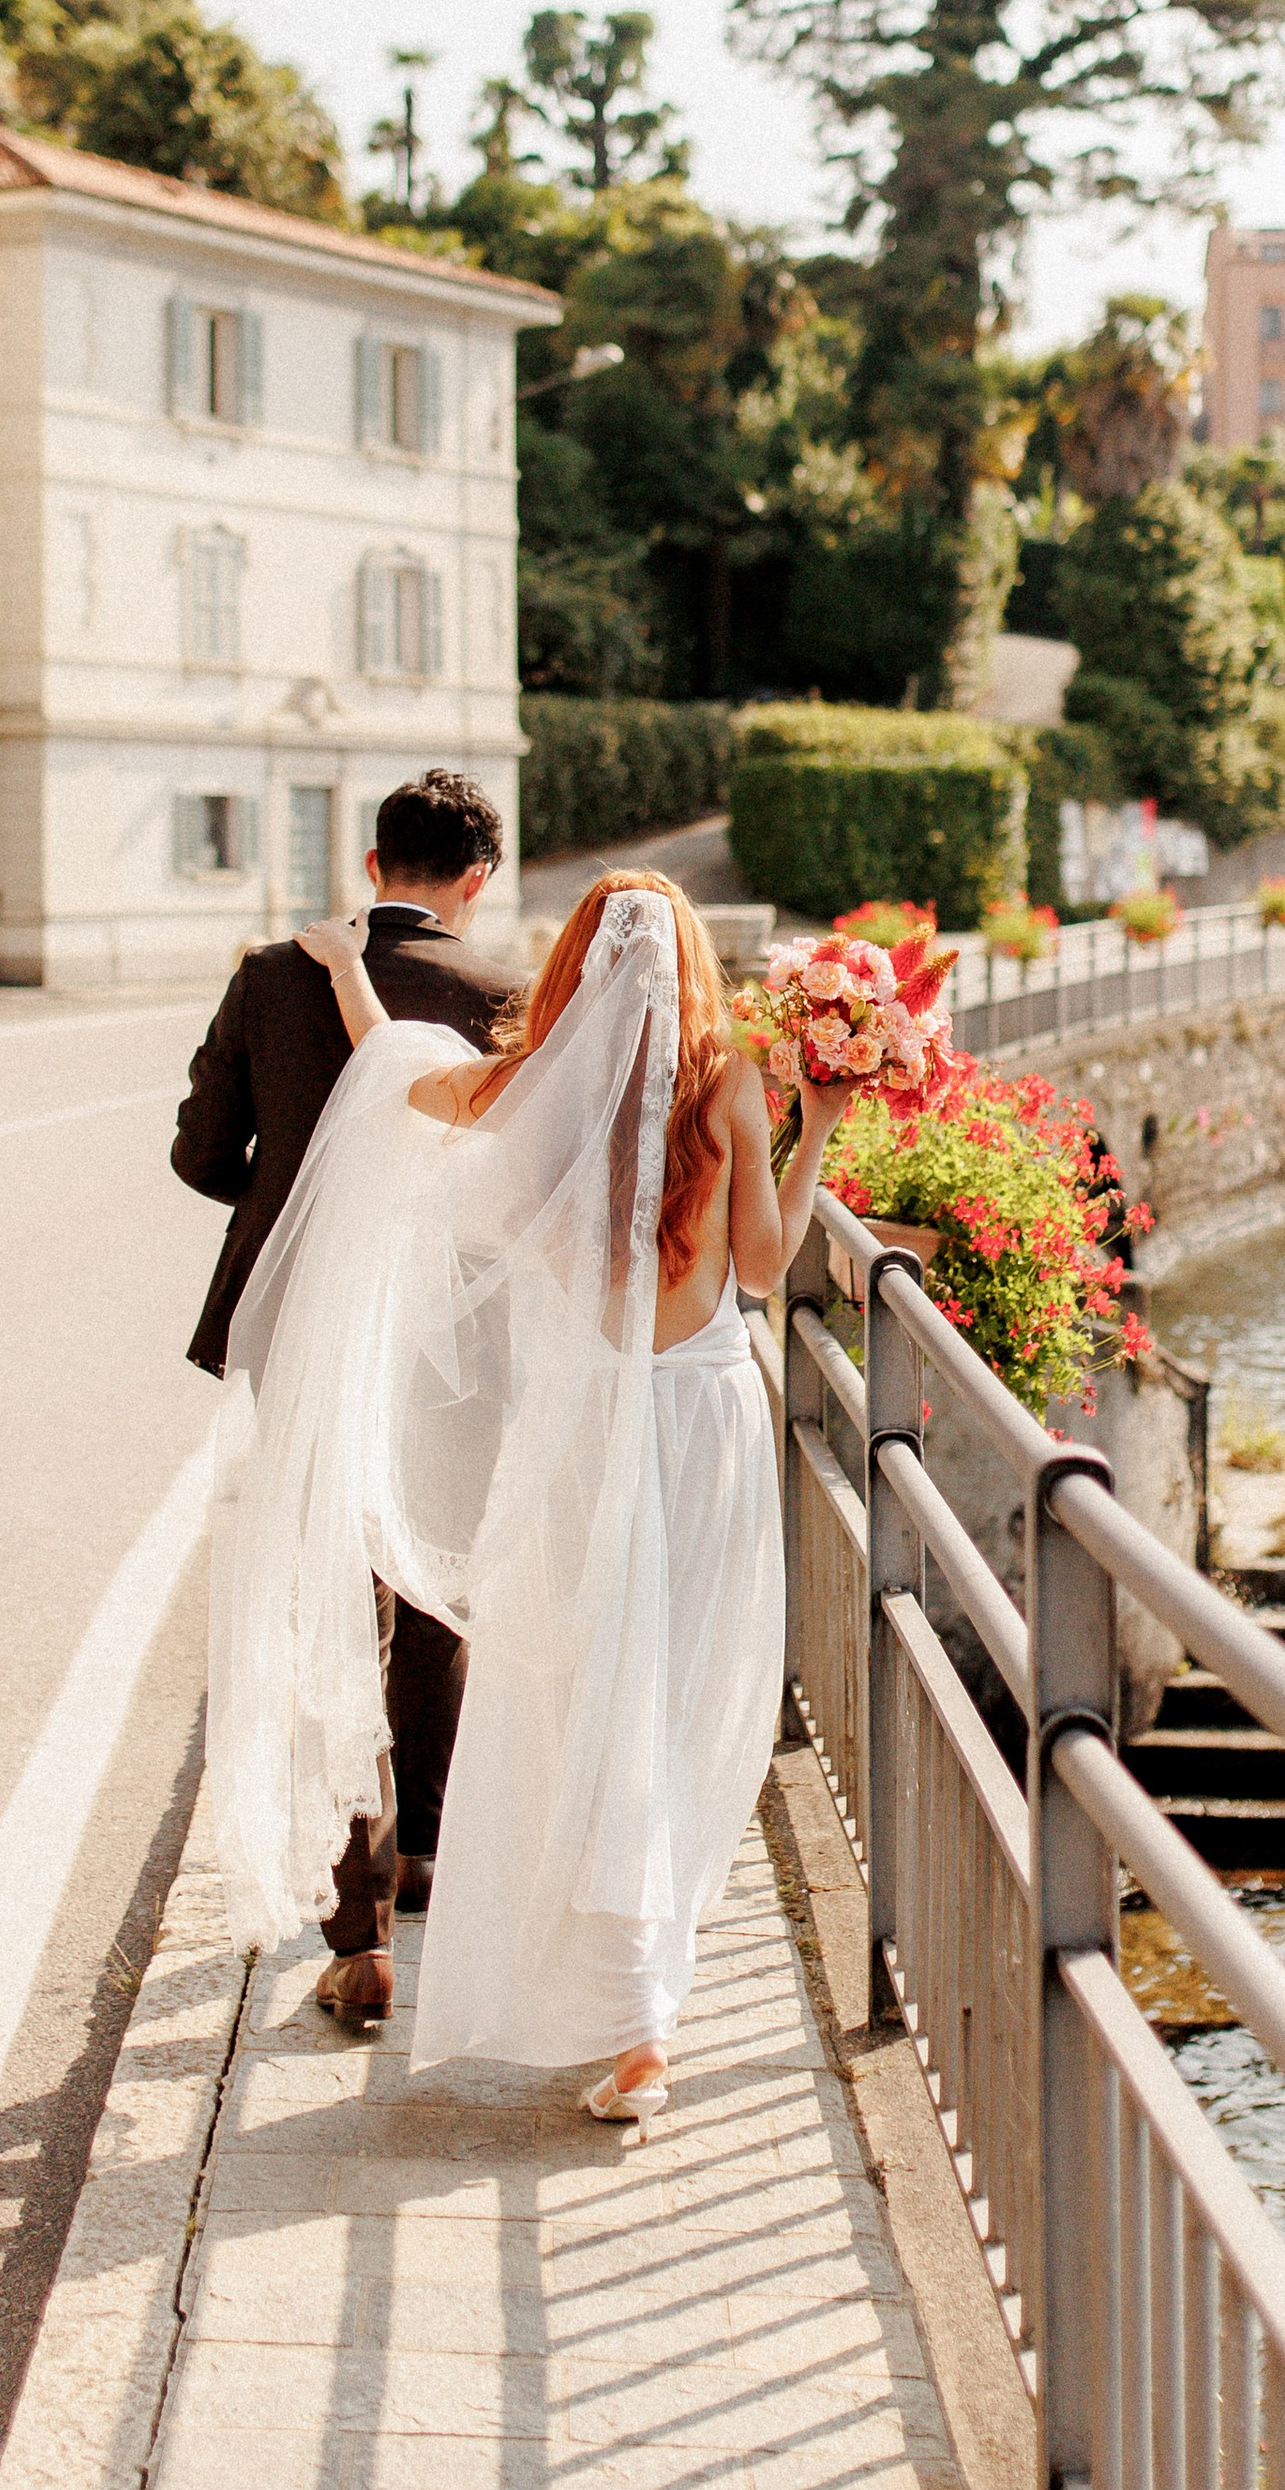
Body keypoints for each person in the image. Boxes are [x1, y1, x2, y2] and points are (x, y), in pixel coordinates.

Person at [208, 870, 846, 2125]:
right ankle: (643, 2016)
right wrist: (815, 1124)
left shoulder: (528, 1092)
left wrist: (346, 973)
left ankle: (620, 2017)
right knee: (675, 1703)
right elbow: (765, 1270)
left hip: (584, 1442)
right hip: (704, 1427)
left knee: (581, 1710)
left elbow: (394, 1076)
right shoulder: (729, 1082)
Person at [171, 767, 515, 2032]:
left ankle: (352, 1924)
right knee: (436, 1582)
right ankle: (424, 1848)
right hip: (455, 1340)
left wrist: (303, 1211)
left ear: (374, 867)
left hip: (304, 1327)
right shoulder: (503, 994)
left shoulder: (272, 974)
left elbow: (201, 1154)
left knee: (333, 1598)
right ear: (474, 879)